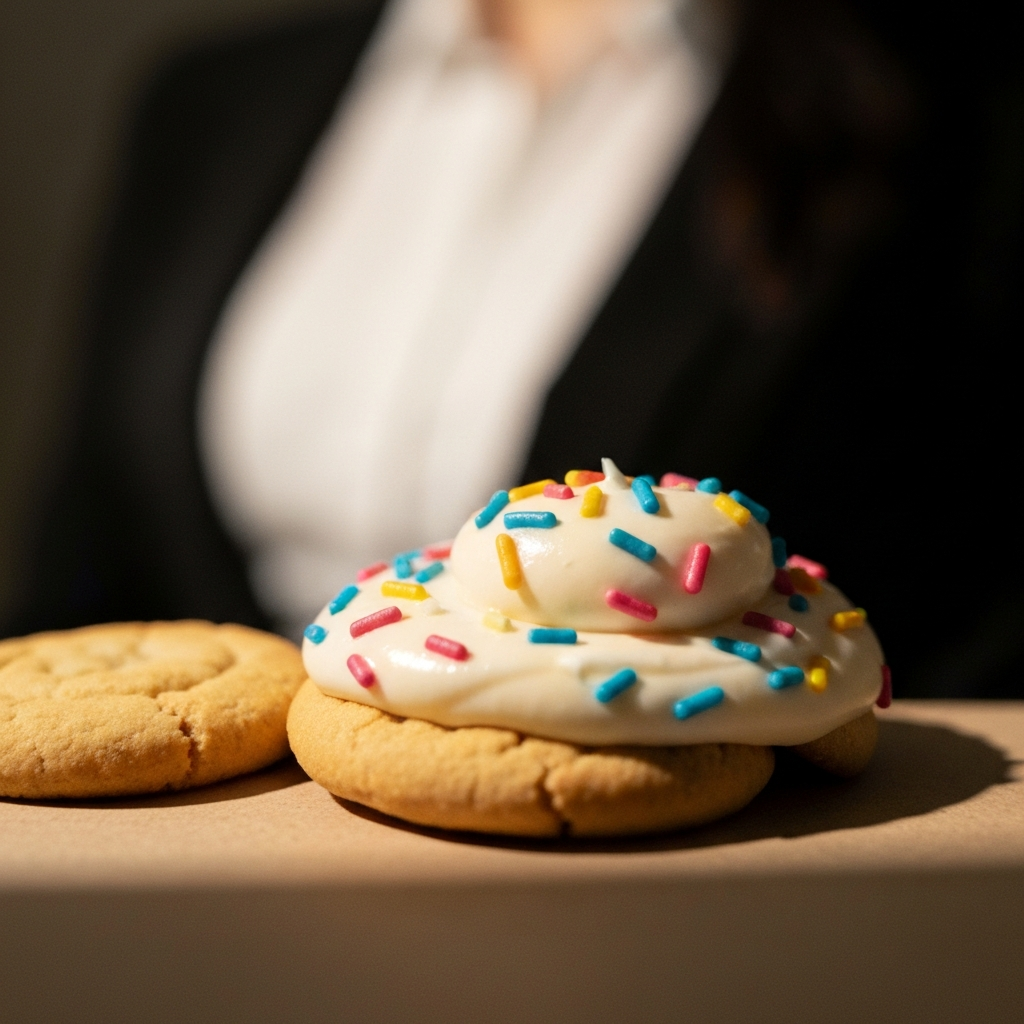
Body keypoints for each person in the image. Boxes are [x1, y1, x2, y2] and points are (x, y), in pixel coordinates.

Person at [8, 0, 1022, 699]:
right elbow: (83, 579)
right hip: (205, 885)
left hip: (708, 897)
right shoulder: (209, 100)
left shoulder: (934, 102)